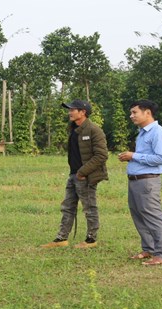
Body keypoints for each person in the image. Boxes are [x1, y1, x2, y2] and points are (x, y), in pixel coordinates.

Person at [41, 99, 108, 249]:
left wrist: (82, 172)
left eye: (72, 109)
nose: (69, 112)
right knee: (67, 207)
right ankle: (61, 239)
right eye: (69, 109)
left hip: (86, 176)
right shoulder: (73, 129)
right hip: (74, 175)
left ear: (83, 112)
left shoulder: (94, 130)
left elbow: (102, 155)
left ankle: (91, 239)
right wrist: (75, 174)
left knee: (89, 208)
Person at [118, 99, 162, 266]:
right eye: (131, 113)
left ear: (147, 112)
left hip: (147, 182)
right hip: (135, 182)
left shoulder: (159, 133)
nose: (131, 116)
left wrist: (133, 156)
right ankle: (148, 248)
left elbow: (160, 159)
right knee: (139, 216)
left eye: (135, 112)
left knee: (153, 217)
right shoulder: (142, 133)